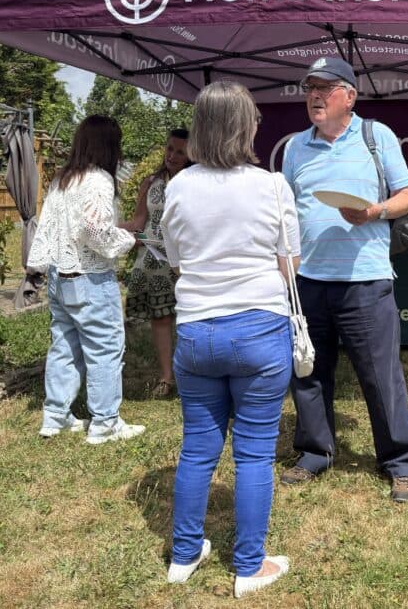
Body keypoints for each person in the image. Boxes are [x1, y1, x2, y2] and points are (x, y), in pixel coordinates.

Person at [160, 81, 297, 597]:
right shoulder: (272, 185)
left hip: (196, 329)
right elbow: (290, 265)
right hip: (260, 328)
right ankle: (248, 566)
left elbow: (176, 261)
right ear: (246, 126)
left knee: (197, 449)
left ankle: (184, 553)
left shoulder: (178, 186)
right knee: (255, 454)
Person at [279, 56, 408, 504]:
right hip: (309, 282)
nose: (315, 96)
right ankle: (314, 451)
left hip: (365, 281)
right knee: (309, 372)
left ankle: (400, 462)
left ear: (349, 96)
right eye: (309, 89)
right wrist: (286, 267)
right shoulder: (294, 148)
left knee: (380, 376)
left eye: (325, 87)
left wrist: (375, 212)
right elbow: (285, 213)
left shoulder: (375, 136)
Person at [27, 115, 145, 444]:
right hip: (90, 277)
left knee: (64, 346)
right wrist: (126, 241)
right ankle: (105, 422)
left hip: (59, 276)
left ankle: (56, 416)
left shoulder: (64, 179)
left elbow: (49, 227)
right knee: (105, 348)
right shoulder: (98, 181)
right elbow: (94, 230)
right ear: (109, 146)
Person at [120, 128, 192, 398]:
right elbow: (139, 222)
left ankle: (191, 374)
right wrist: (111, 229)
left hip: (186, 259)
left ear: (191, 155)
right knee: (161, 319)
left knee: (188, 317)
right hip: (153, 261)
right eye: (170, 148)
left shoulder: (195, 181)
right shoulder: (150, 182)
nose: (172, 155)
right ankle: (166, 377)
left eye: (180, 151)